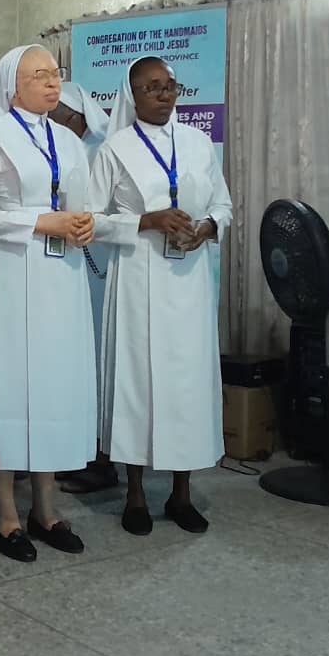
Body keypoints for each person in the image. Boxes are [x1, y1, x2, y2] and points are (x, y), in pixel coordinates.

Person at [0, 45, 98, 563]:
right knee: (14, 384)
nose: (51, 81)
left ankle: (46, 507)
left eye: (55, 73)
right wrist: (39, 222)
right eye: (38, 74)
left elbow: (82, 204)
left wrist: (85, 224)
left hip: (63, 277)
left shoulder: (68, 139)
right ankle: (6, 514)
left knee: (55, 387)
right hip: (17, 274)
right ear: (12, 86)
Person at [88, 56, 232, 536]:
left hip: (188, 280)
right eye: (153, 87)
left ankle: (181, 494)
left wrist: (208, 227)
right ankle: (134, 495)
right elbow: (92, 220)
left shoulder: (197, 143)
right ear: (132, 95)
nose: (165, 94)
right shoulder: (114, 150)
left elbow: (223, 204)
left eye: (171, 85)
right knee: (138, 382)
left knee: (185, 384)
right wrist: (146, 221)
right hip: (136, 281)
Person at [49, 81, 119, 494]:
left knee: (97, 365)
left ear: (76, 117)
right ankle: (68, 451)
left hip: (100, 273)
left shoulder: (100, 152)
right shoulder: (54, 148)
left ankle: (100, 458)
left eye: (57, 115)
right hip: (67, 270)